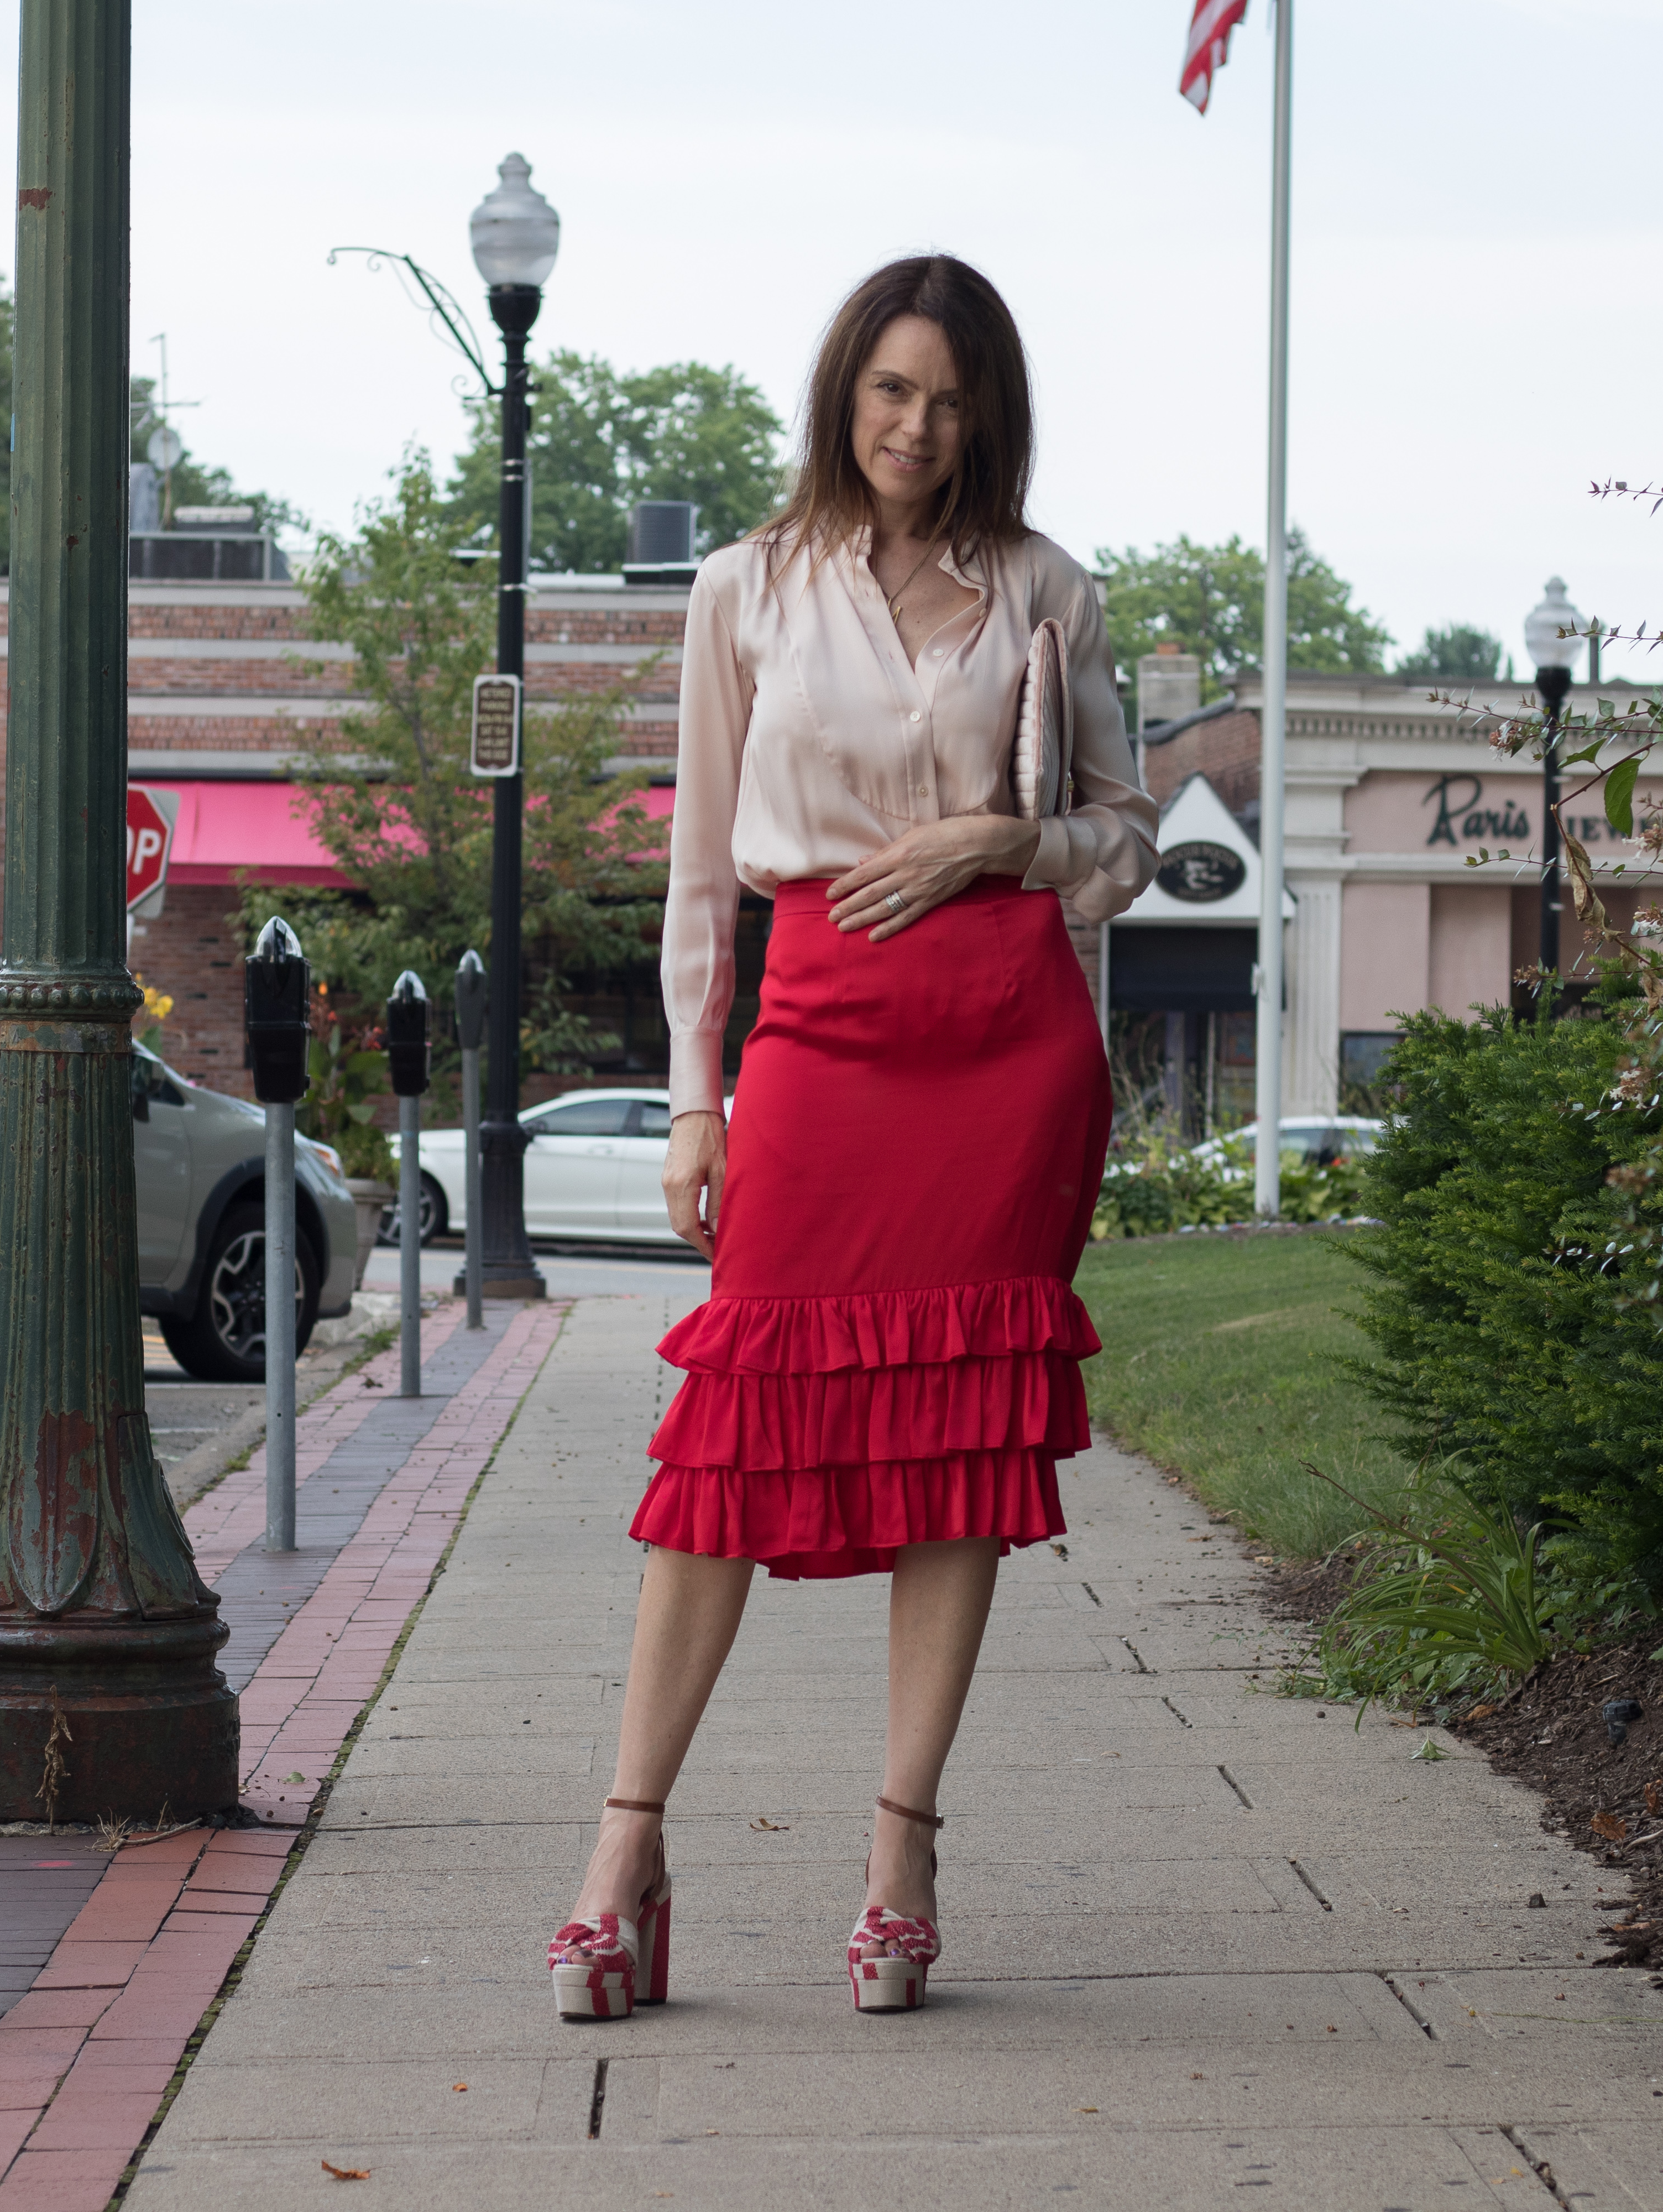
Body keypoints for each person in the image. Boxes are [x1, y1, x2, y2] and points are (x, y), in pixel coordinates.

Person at [546, 255, 1160, 2022]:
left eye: (952, 400)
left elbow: (1123, 838)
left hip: (1008, 1050)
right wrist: (692, 1097)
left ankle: (901, 1847)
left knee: (963, 1440)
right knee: (728, 1436)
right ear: (844, 396)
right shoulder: (746, 588)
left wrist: (1001, 848)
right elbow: (696, 878)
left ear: (992, 418)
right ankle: (625, 1844)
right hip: (816, 1031)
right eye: (892, 391)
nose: (919, 427)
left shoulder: (1048, 589)